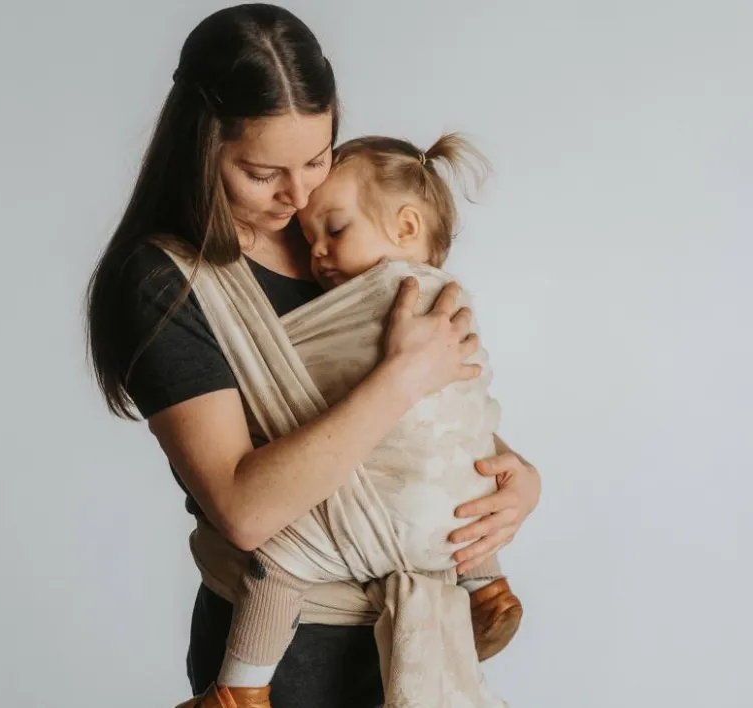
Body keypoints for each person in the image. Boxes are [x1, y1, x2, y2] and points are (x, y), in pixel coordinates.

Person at [85, 5, 541, 708]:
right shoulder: (164, 282)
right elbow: (244, 509)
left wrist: (513, 477)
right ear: (203, 149)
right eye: (262, 172)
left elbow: (427, 400)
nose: (298, 196)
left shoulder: (337, 227)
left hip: (415, 634)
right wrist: (401, 377)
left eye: (316, 158)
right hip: (281, 657)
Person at [190, 131, 523, 707]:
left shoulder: (391, 301)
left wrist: (523, 475)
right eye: (309, 238)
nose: (316, 252)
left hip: (381, 528)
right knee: (458, 482)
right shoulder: (448, 301)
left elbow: (427, 406)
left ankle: (240, 690)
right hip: (444, 529)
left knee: (278, 558)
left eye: (336, 230)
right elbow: (453, 422)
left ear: (406, 227)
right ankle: (488, 587)